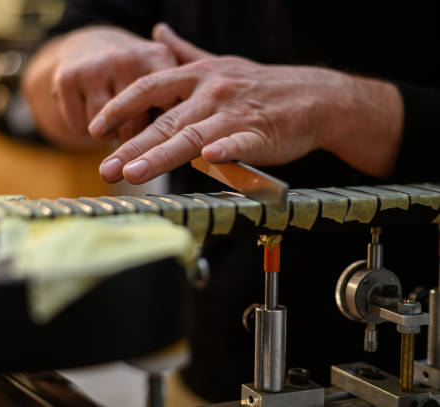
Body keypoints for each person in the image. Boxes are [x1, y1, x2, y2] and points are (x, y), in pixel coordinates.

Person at [22, 1, 440, 402]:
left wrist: (346, 105)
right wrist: (80, 51)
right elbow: (45, 82)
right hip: (213, 366)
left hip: (412, 361)